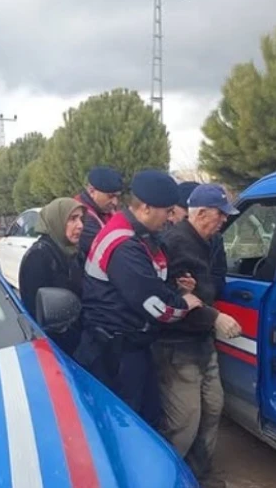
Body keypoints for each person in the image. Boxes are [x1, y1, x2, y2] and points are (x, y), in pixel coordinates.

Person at [74, 169, 204, 426]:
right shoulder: (124, 243)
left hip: (129, 345)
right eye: (167, 211)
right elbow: (156, 305)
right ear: (145, 208)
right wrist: (184, 303)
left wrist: (175, 285)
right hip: (115, 352)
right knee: (128, 425)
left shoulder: (139, 233)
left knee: (147, 417)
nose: (171, 218)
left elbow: (151, 279)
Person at [155, 183, 242, 488]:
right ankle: (167, 479)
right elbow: (169, 297)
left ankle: (199, 475)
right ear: (202, 213)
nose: (224, 220)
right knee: (184, 421)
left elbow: (209, 285)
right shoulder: (174, 243)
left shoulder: (209, 241)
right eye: (221, 214)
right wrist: (215, 317)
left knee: (213, 408)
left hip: (202, 342)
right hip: (178, 345)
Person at [18, 198, 86, 355]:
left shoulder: (72, 251)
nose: (80, 225)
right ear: (57, 220)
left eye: (81, 219)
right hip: (54, 348)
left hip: (77, 339)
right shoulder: (39, 256)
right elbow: (38, 312)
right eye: (72, 219)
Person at [75, 166, 124, 263]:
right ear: (91, 191)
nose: (115, 202)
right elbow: (109, 250)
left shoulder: (105, 209)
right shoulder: (81, 216)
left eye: (117, 197)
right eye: (110, 196)